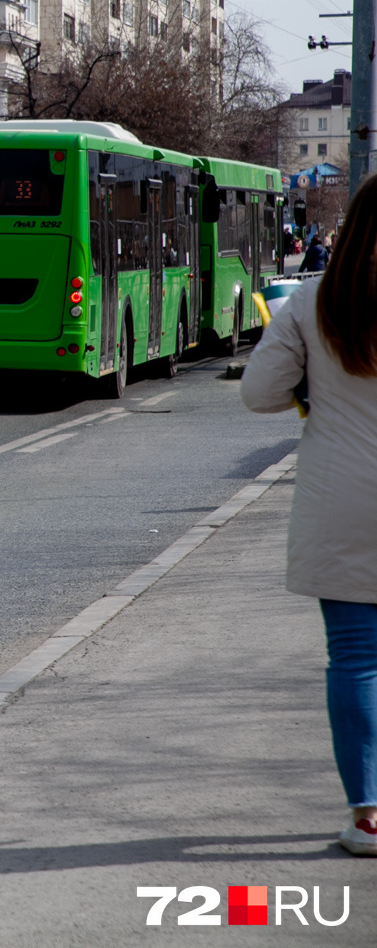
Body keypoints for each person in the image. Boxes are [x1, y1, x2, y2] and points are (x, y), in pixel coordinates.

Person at [242, 175, 377, 857]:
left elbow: (259, 394)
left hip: (343, 499)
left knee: (356, 660)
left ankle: (367, 816)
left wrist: (313, 383)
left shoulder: (315, 301)